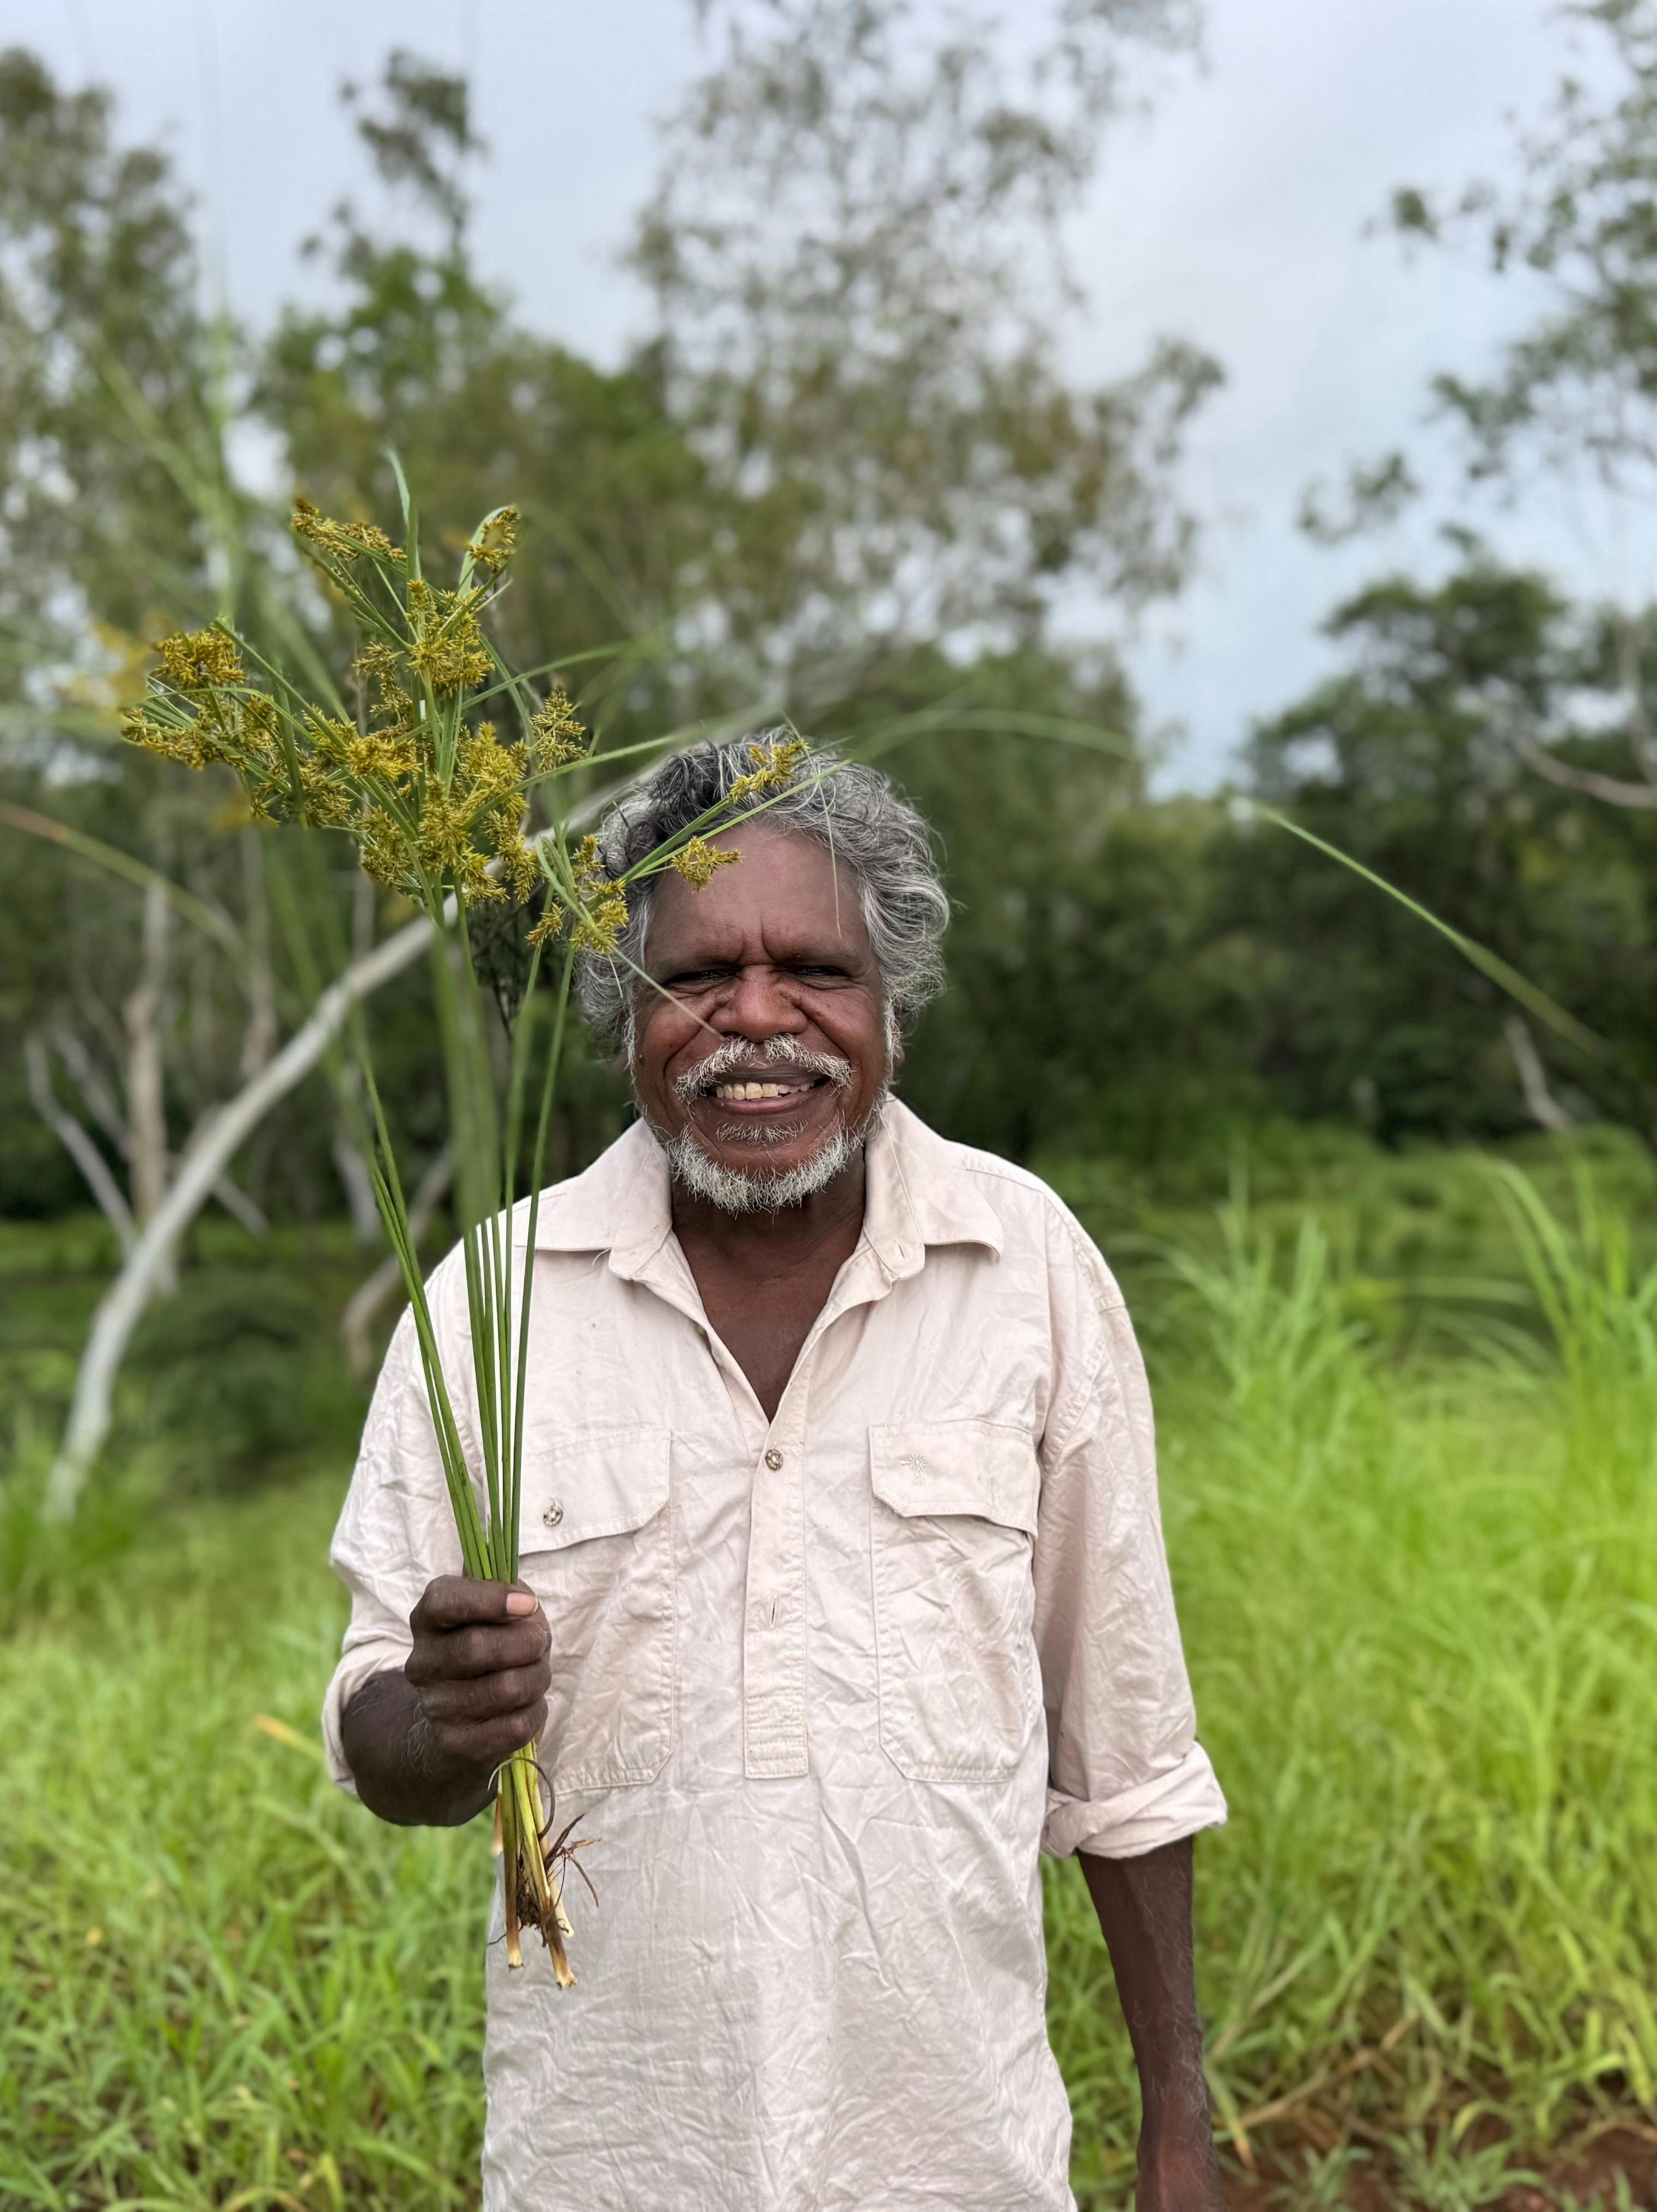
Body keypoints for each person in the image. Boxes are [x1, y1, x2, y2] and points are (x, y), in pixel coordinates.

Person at [325, 734, 1229, 2210]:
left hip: (958, 2163)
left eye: (814, 967)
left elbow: (1125, 1751)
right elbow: (381, 1741)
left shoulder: (1025, 1266)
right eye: (698, 974)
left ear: (890, 1003)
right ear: (627, 1007)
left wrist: (1177, 2124)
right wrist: (436, 1718)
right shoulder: (495, 1299)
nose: (757, 1017)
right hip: (612, 2165)